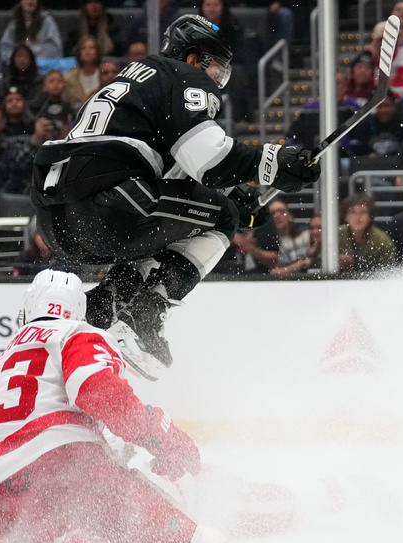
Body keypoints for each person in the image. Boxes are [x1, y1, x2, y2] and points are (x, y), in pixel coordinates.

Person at [0, 270, 328, 543]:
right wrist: (165, 439)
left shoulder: (3, 361)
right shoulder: (74, 334)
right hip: (68, 463)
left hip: (3, 489)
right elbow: (98, 391)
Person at [30, 15, 321, 380]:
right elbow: (209, 160)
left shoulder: (136, 79)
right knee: (221, 220)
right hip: (109, 206)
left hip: (60, 221)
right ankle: (145, 316)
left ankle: (102, 307)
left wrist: (235, 193)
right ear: (193, 58)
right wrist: (274, 161)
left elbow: (176, 167)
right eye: (217, 68)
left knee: (179, 225)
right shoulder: (183, 76)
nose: (218, 80)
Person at [338, 194, 396, 274]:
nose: (358, 217)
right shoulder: (336, 236)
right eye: (353, 212)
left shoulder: (382, 240)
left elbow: (389, 269)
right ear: (345, 216)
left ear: (370, 217)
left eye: (363, 212)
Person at [0, 0, 63, 67]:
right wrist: (17, 58)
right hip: (17, 72)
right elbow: (5, 49)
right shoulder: (14, 24)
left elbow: (55, 50)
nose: (30, 1)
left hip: (42, 70)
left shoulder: (47, 22)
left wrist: (30, 54)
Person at [63, 36, 103, 108]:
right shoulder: (70, 77)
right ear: (79, 52)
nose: (87, 51)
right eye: (84, 48)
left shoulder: (104, 73)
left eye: (92, 48)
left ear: (97, 51)